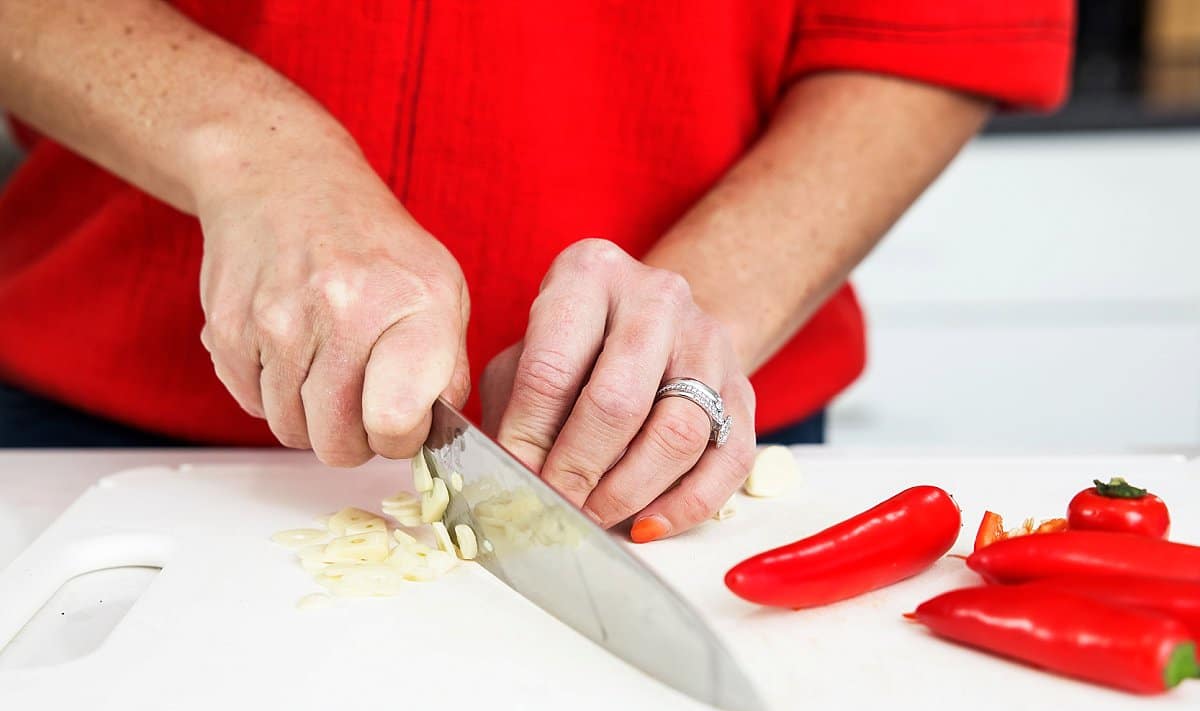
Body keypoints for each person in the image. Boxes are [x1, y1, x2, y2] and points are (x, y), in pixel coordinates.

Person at [0, 1, 1072, 541]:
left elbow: (943, 23)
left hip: (679, 441)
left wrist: (703, 304)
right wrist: (255, 150)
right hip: (78, 438)